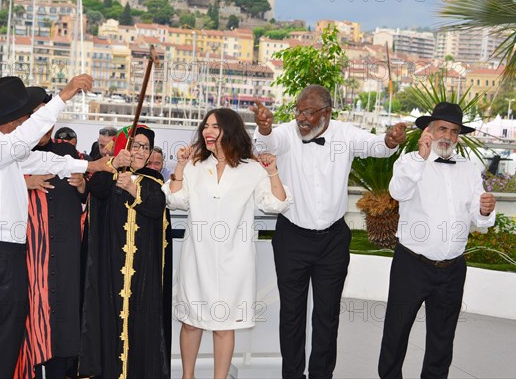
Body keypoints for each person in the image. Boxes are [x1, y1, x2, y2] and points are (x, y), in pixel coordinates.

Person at [251, 84, 407, 378]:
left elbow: (378, 147)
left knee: (327, 316)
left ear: (327, 113)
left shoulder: (345, 134)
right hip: (292, 238)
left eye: (309, 112)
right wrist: (264, 128)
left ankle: (322, 374)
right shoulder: (285, 133)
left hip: (333, 241)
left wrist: (390, 141)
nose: (302, 118)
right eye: (298, 111)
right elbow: (265, 146)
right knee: (292, 315)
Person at [0, 75, 113, 379]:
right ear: (12, 120)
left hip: (4, 256)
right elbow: (27, 141)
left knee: (8, 337)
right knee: (2, 344)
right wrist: (65, 95)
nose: (28, 124)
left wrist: (91, 166)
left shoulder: (4, 150)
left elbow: (43, 160)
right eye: (25, 118)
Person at [163, 108, 292, 379]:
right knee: (191, 322)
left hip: (235, 260)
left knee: (224, 326)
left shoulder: (252, 168)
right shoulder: (196, 166)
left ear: (230, 131)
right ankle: (188, 376)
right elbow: (175, 200)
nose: (207, 132)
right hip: (197, 257)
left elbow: (277, 204)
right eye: (206, 126)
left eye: (215, 127)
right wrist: (181, 166)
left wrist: (272, 172)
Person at [378, 102, 496, 378]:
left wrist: (484, 210)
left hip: (452, 269)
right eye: (442, 128)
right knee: (396, 332)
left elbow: (477, 217)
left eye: (454, 131)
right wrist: (420, 158)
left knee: (442, 341)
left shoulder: (469, 168)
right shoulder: (409, 162)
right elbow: (397, 193)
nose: (448, 136)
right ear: (429, 130)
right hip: (411, 265)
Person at [79, 125, 173, 378]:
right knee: (109, 319)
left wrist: (133, 188)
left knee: (142, 323)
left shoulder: (154, 181)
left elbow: (156, 207)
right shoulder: (110, 175)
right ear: (126, 148)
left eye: (146, 147)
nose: (141, 151)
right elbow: (95, 190)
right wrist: (112, 168)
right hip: (111, 265)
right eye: (136, 146)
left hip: (144, 270)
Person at [15, 118, 89, 378]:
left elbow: (86, 193)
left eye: (49, 123)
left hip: (66, 247)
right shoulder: (14, 150)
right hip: (32, 250)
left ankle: (64, 369)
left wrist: (82, 186)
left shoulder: (68, 152)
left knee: (66, 310)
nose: (45, 129)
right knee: (34, 309)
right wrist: (24, 182)